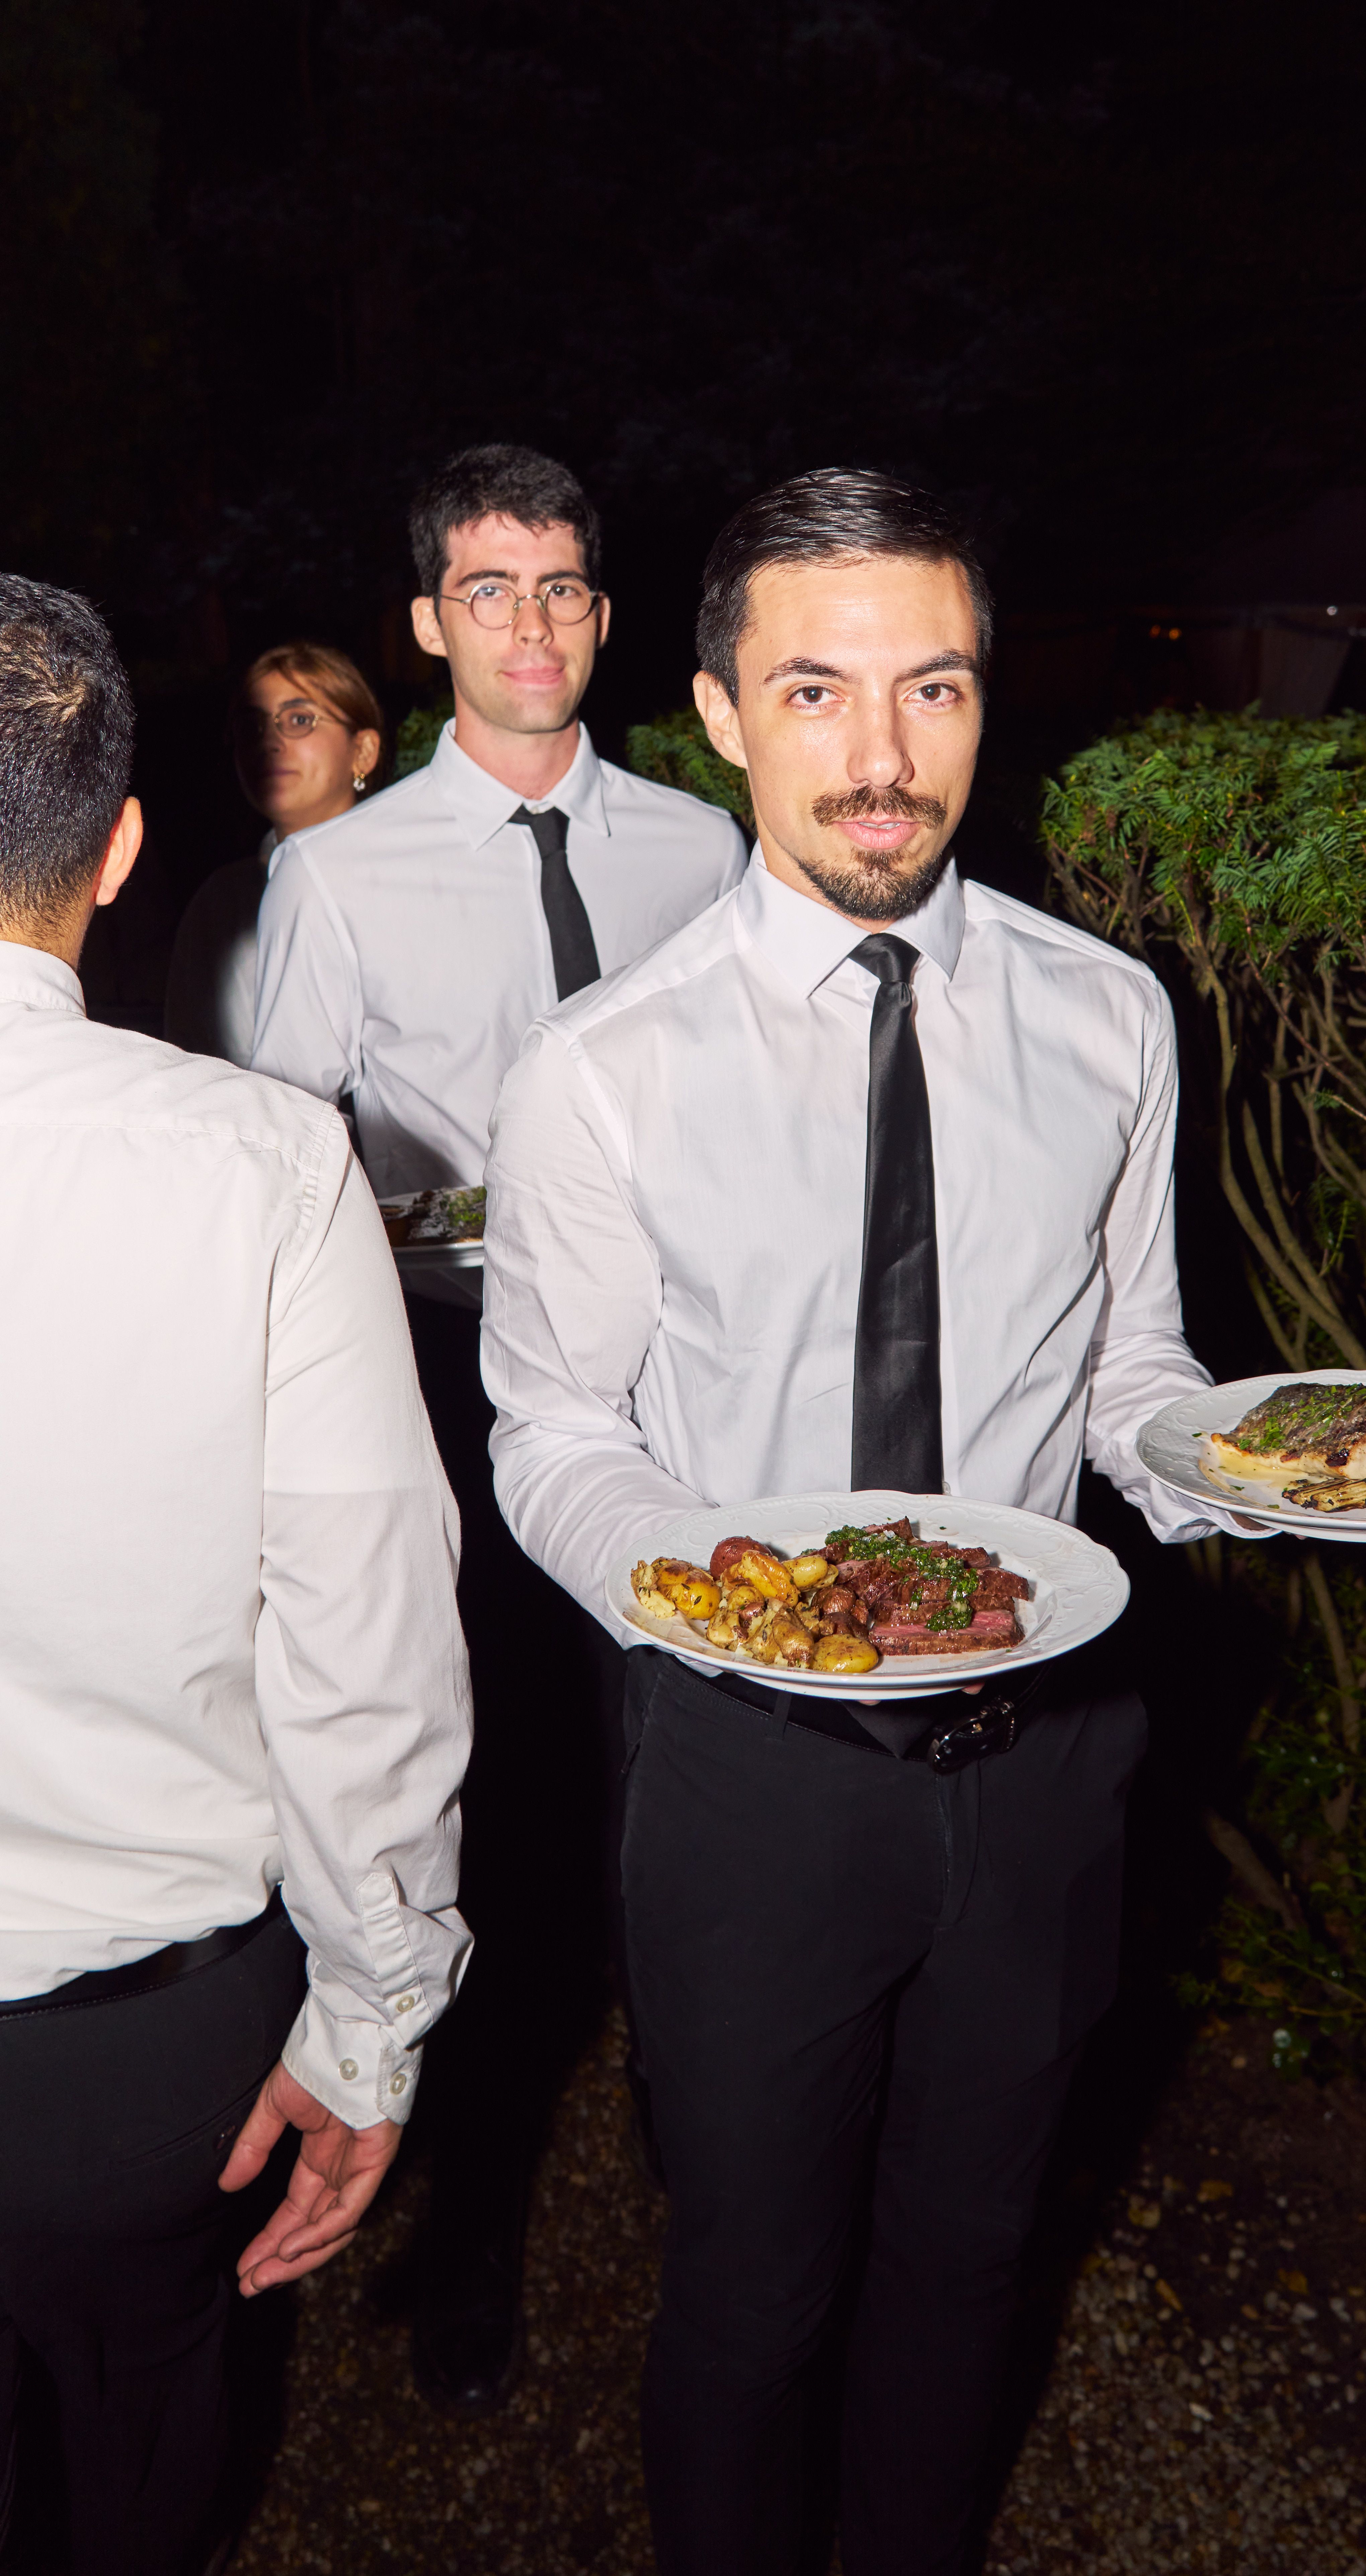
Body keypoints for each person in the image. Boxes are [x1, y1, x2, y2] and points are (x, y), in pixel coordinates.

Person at [479, 466, 1274, 2576]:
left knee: (972, 2261)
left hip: (1049, 1765)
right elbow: (550, 1430)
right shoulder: (603, 1069)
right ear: (722, 716)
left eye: (932, 687)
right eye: (817, 693)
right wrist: (746, 1608)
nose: (883, 754)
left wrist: (1248, 1479)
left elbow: (1134, 1380)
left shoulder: (1109, 1018)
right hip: (757, 1775)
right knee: (748, 2294)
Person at [251, 442, 749, 2415]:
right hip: (445, 1387)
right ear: (428, 621)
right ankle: (472, 2207)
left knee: (680, 1764)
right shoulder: (333, 872)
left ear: (604, 621)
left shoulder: (705, 851)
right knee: (500, 1793)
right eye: (489, 587)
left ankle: (706, 2121)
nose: (527, 623)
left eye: (560, 587)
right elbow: (279, 1164)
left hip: (679, 1379)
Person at [0, 577, 472, 2576]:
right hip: (130, 2055)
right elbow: (364, 1643)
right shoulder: (267, 1163)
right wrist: (376, 2017)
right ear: (120, 850)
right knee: (128, 2453)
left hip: (132, 2036)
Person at [163, 641, 382, 1062]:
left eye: (300, 720)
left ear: (364, 750)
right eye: (253, 725)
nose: (271, 741)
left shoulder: (413, 875)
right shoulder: (222, 905)